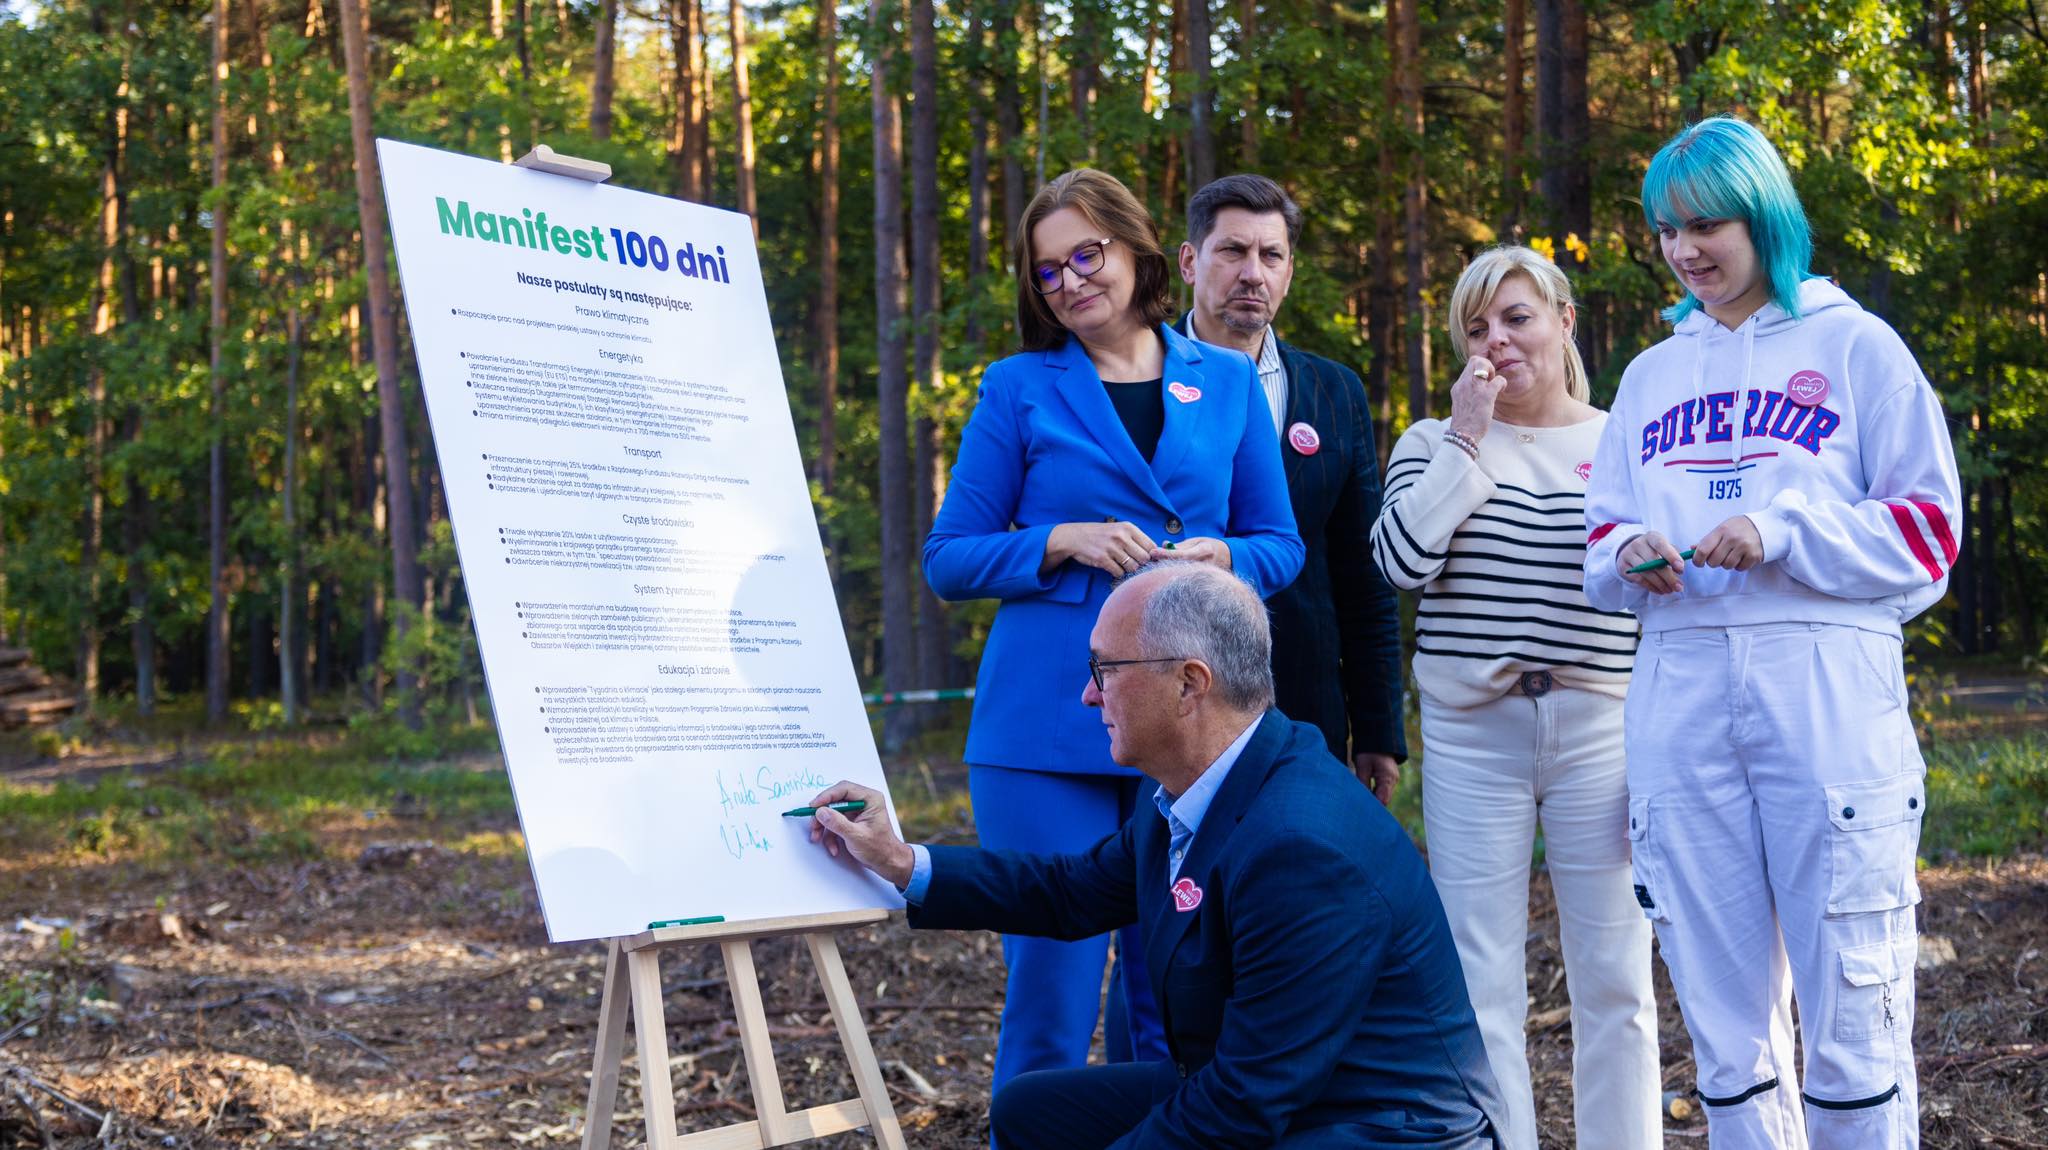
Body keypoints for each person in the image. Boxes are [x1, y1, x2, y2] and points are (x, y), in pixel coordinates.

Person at [804, 561, 1504, 1149]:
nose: (1087, 694)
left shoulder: (1301, 846)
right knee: (1031, 1112)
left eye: (1103, 668)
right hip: (1284, 1088)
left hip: (1380, 1125)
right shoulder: (1194, 786)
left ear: (1190, 685)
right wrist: (900, 861)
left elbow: (1242, 1105)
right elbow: (1069, 891)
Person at [1583, 116, 1959, 1149]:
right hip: (1679, 683)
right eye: (1665, 228)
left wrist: (1781, 529)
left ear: (1764, 216)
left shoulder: (1852, 345)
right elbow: (1599, 531)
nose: (1683, 249)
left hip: (1822, 680)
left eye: (1706, 224)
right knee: (1719, 1011)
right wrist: (1627, 557)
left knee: (1851, 993)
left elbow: (1927, 534)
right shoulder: (1652, 375)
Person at [922, 169, 1304, 1096]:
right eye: (1049, 271)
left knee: (1171, 992)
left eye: (1086, 255)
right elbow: (949, 557)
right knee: (1050, 991)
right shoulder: (1018, 386)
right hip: (1044, 727)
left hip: (1185, 720)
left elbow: (1280, 545)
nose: (1071, 281)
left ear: (1135, 250)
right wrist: (1058, 539)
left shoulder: (1224, 380)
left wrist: (1227, 561)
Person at [1369, 246, 1660, 1150]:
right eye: (1477, 327)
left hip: (1598, 729)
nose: (1497, 340)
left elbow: (1655, 574)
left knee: (1616, 973)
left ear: (1564, 322)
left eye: (1517, 318)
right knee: (1480, 974)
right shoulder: (1430, 441)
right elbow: (1399, 564)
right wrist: (1465, 440)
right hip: (1471, 736)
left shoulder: (1624, 439)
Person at [1173, 174, 1407, 802]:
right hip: (1173, 704)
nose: (1253, 273)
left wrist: (1378, 727)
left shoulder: (1334, 394)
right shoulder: (1141, 379)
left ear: (1289, 270)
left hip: (1306, 707)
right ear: (1191, 262)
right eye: (1232, 251)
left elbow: (1364, 573)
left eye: (1270, 255)